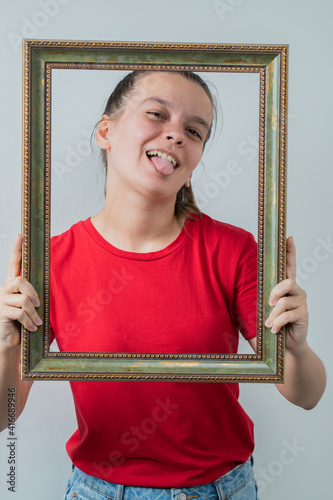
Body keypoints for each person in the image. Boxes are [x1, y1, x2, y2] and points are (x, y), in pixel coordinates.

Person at [0, 70, 326, 500]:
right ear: (106, 131)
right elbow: (4, 414)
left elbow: (307, 396)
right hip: (96, 491)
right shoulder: (53, 260)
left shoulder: (233, 250)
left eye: (194, 131)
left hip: (219, 490)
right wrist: (7, 344)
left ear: (193, 163)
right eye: (156, 114)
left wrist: (296, 347)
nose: (175, 136)